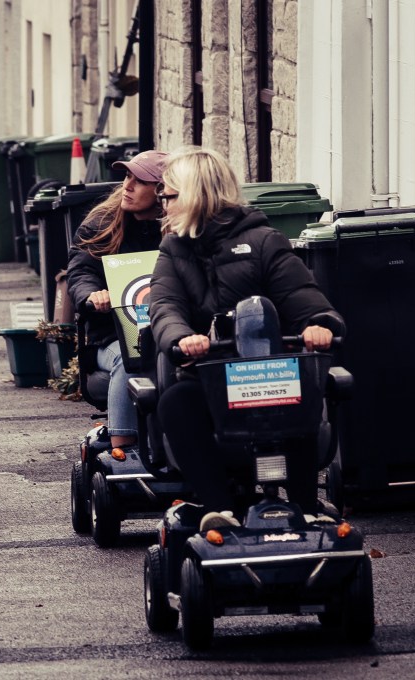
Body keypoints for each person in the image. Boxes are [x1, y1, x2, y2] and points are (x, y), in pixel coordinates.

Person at [148, 146, 345, 531]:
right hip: (210, 378)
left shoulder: (264, 242)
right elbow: (165, 306)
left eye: (168, 196)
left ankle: (304, 503)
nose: (163, 205)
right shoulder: (173, 250)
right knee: (175, 401)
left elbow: (306, 300)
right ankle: (219, 509)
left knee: (300, 388)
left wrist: (320, 325)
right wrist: (182, 338)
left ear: (195, 195)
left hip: (269, 374)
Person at [66, 150, 167, 453]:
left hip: (171, 332)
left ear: (163, 190)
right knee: (132, 354)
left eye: (140, 181)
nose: (128, 186)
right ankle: (122, 446)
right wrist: (91, 295)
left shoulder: (180, 227)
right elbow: (80, 271)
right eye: (127, 177)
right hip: (111, 336)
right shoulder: (102, 224)